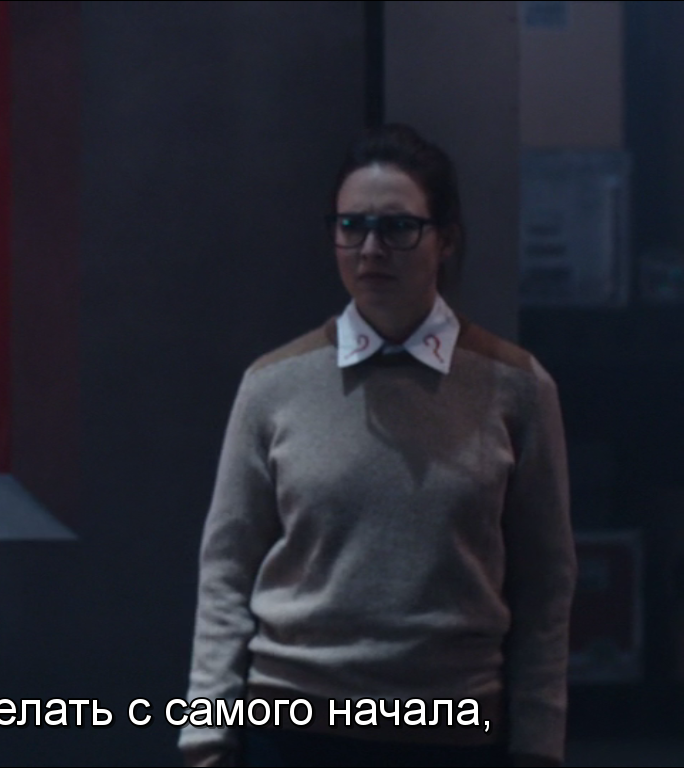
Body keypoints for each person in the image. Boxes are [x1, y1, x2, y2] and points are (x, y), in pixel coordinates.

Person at [180, 124, 575, 768]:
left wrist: (539, 745)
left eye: (397, 228)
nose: (370, 249)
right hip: (292, 726)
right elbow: (226, 572)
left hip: (452, 732)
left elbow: (546, 587)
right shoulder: (273, 385)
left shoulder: (516, 387)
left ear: (446, 239)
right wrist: (206, 737)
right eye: (352, 226)